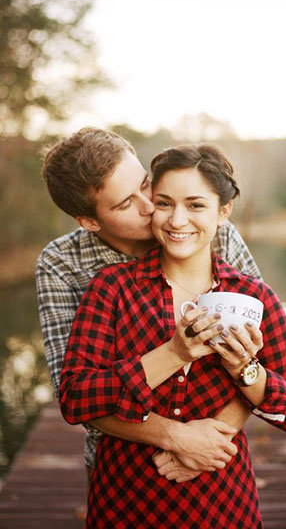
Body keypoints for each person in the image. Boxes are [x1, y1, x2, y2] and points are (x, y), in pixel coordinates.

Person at [59, 144, 286, 528]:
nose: (177, 220)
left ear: (223, 211)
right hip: (126, 501)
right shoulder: (111, 288)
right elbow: (75, 398)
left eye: (195, 205)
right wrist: (174, 353)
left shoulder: (254, 298)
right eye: (164, 203)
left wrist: (246, 369)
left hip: (222, 501)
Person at [36, 127, 262, 482]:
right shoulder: (62, 263)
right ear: (90, 221)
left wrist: (210, 442)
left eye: (144, 184)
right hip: (120, 464)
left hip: (218, 454)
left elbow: (262, 352)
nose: (150, 208)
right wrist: (177, 437)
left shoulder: (205, 231)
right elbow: (76, 393)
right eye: (126, 203)